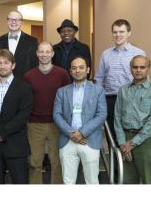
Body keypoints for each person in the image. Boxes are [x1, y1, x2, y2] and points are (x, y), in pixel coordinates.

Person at [0, 49, 32, 184]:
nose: (2, 66)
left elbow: (23, 115)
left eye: (6, 63)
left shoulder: (24, 87)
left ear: (13, 65)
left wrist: (2, 132)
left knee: (20, 182)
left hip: (15, 144)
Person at [53, 56, 107, 184]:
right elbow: (56, 115)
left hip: (90, 140)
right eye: (74, 68)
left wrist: (81, 132)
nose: (78, 70)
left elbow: (101, 114)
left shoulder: (98, 90)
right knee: (68, 181)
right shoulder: (61, 92)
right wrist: (71, 133)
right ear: (70, 71)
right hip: (67, 141)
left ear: (88, 70)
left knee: (92, 181)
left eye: (81, 67)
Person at [23, 42, 71, 184]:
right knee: (34, 161)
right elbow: (25, 101)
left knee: (56, 161)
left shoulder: (62, 74)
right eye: (41, 52)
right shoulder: (28, 76)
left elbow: (67, 99)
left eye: (47, 51)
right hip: (34, 124)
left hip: (57, 124)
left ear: (52, 54)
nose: (44, 55)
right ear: (37, 53)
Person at [95, 19, 145, 140]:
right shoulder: (105, 54)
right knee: (112, 137)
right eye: (115, 32)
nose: (118, 35)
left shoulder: (138, 53)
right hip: (110, 100)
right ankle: (115, 159)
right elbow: (99, 78)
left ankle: (128, 159)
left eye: (121, 32)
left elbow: (143, 78)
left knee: (129, 137)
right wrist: (99, 99)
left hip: (131, 100)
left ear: (129, 33)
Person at [114, 55, 151, 184]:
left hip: (146, 141)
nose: (138, 70)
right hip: (125, 140)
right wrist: (122, 142)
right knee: (128, 181)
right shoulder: (123, 90)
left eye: (142, 67)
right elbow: (117, 117)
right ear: (130, 69)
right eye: (135, 67)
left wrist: (133, 143)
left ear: (148, 69)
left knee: (148, 179)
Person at [0, 10, 38, 78]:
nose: (13, 22)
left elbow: (34, 65)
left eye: (17, 20)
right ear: (7, 21)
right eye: (11, 19)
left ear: (21, 22)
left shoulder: (32, 41)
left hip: (24, 82)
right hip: (3, 81)